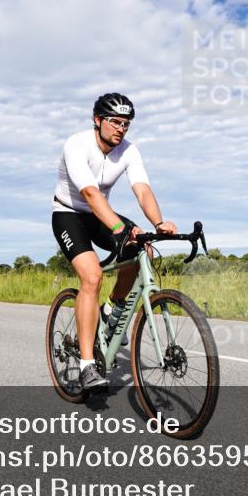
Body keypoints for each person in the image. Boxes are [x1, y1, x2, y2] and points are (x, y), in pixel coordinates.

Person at [52, 93, 177, 390]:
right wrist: (120, 227)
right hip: (69, 214)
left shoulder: (129, 151)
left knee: (142, 246)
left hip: (99, 215)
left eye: (126, 124)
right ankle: (85, 365)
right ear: (98, 121)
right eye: (115, 122)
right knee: (92, 276)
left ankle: (111, 308)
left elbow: (142, 189)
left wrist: (158, 223)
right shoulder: (76, 144)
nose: (121, 129)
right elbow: (91, 194)